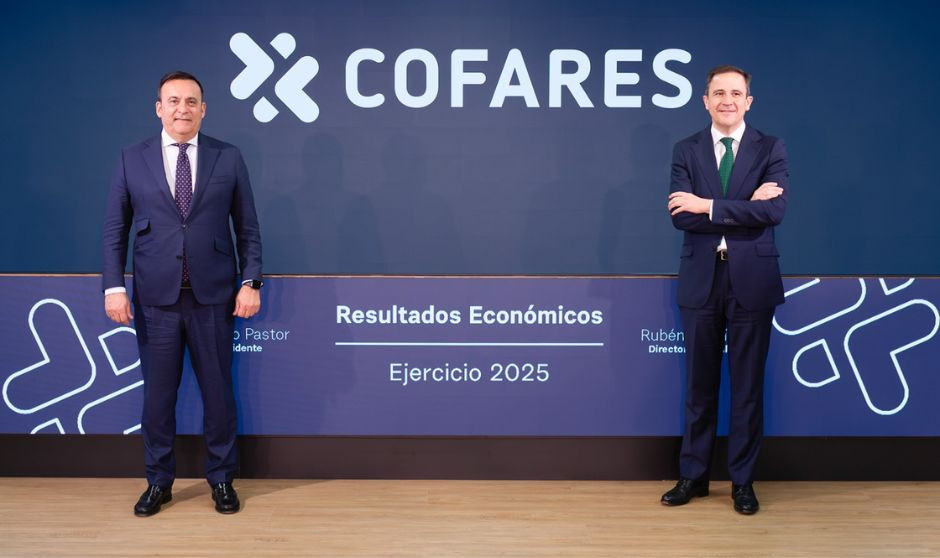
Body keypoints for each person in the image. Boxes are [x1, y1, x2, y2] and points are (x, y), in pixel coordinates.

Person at [102, 71, 263, 516]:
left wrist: (251, 281)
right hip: (156, 299)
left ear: (203, 109)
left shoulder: (228, 157)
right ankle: (158, 482)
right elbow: (115, 232)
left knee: (219, 395)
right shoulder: (131, 159)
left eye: (191, 101)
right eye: (173, 101)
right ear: (159, 108)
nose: (182, 109)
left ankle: (222, 479)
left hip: (213, 297)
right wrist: (114, 287)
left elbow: (247, 228)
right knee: (157, 399)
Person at [662, 65, 788, 515]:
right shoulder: (686, 149)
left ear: (748, 101)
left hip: (752, 281)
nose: (727, 100)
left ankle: (742, 482)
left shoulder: (770, 148)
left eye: (736, 93)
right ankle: (693, 476)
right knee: (699, 386)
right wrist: (742, 207)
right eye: (719, 93)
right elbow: (681, 216)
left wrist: (708, 205)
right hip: (702, 280)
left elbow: (773, 213)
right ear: (706, 101)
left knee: (748, 388)